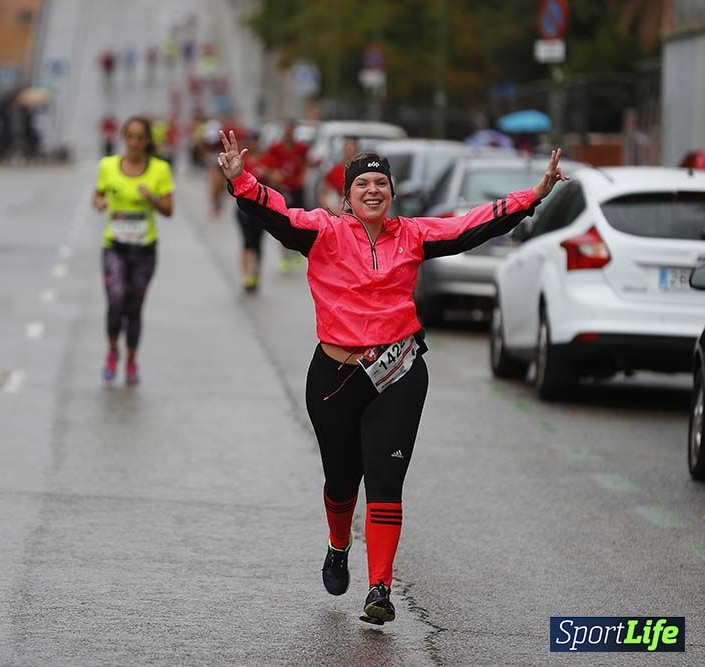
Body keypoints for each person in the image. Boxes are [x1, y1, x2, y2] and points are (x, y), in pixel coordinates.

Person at [217, 130, 567, 624]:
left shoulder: (414, 235)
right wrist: (240, 181)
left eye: (381, 183)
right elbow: (275, 213)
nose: (373, 191)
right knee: (341, 480)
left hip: (398, 373)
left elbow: (471, 225)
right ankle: (339, 545)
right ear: (347, 196)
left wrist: (530, 197)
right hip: (335, 375)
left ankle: (379, 588)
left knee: (385, 479)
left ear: (392, 193)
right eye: (363, 184)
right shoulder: (323, 231)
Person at [92, 117, 175, 385]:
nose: (135, 142)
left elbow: (168, 210)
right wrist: (100, 202)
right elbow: (97, 195)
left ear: (147, 141)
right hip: (114, 247)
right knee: (116, 300)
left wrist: (151, 198)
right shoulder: (107, 166)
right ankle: (112, 350)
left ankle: (131, 360)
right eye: (130, 136)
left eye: (140, 137)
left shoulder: (160, 170)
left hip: (144, 250)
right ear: (123, 137)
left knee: (134, 306)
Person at [259, 120, 309, 273]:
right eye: (286, 130)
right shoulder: (276, 148)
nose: (288, 133)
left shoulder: (301, 148)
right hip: (281, 190)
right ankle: (285, 257)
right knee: (282, 223)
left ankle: (299, 249)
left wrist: (303, 176)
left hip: (296, 189)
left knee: (300, 222)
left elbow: (306, 164)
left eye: (291, 130)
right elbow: (267, 165)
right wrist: (273, 175)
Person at [234, 131, 266, 292]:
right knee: (247, 242)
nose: (254, 144)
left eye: (256, 141)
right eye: (251, 141)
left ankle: (256, 274)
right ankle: (246, 275)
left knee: (258, 244)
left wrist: (268, 173)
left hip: (262, 209)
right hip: (244, 208)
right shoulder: (242, 161)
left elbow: (276, 178)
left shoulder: (265, 160)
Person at [320, 137, 358, 214]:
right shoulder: (335, 171)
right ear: (343, 150)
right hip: (340, 210)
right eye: (347, 147)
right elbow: (323, 196)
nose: (349, 150)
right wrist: (333, 210)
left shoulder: (361, 171)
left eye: (352, 147)